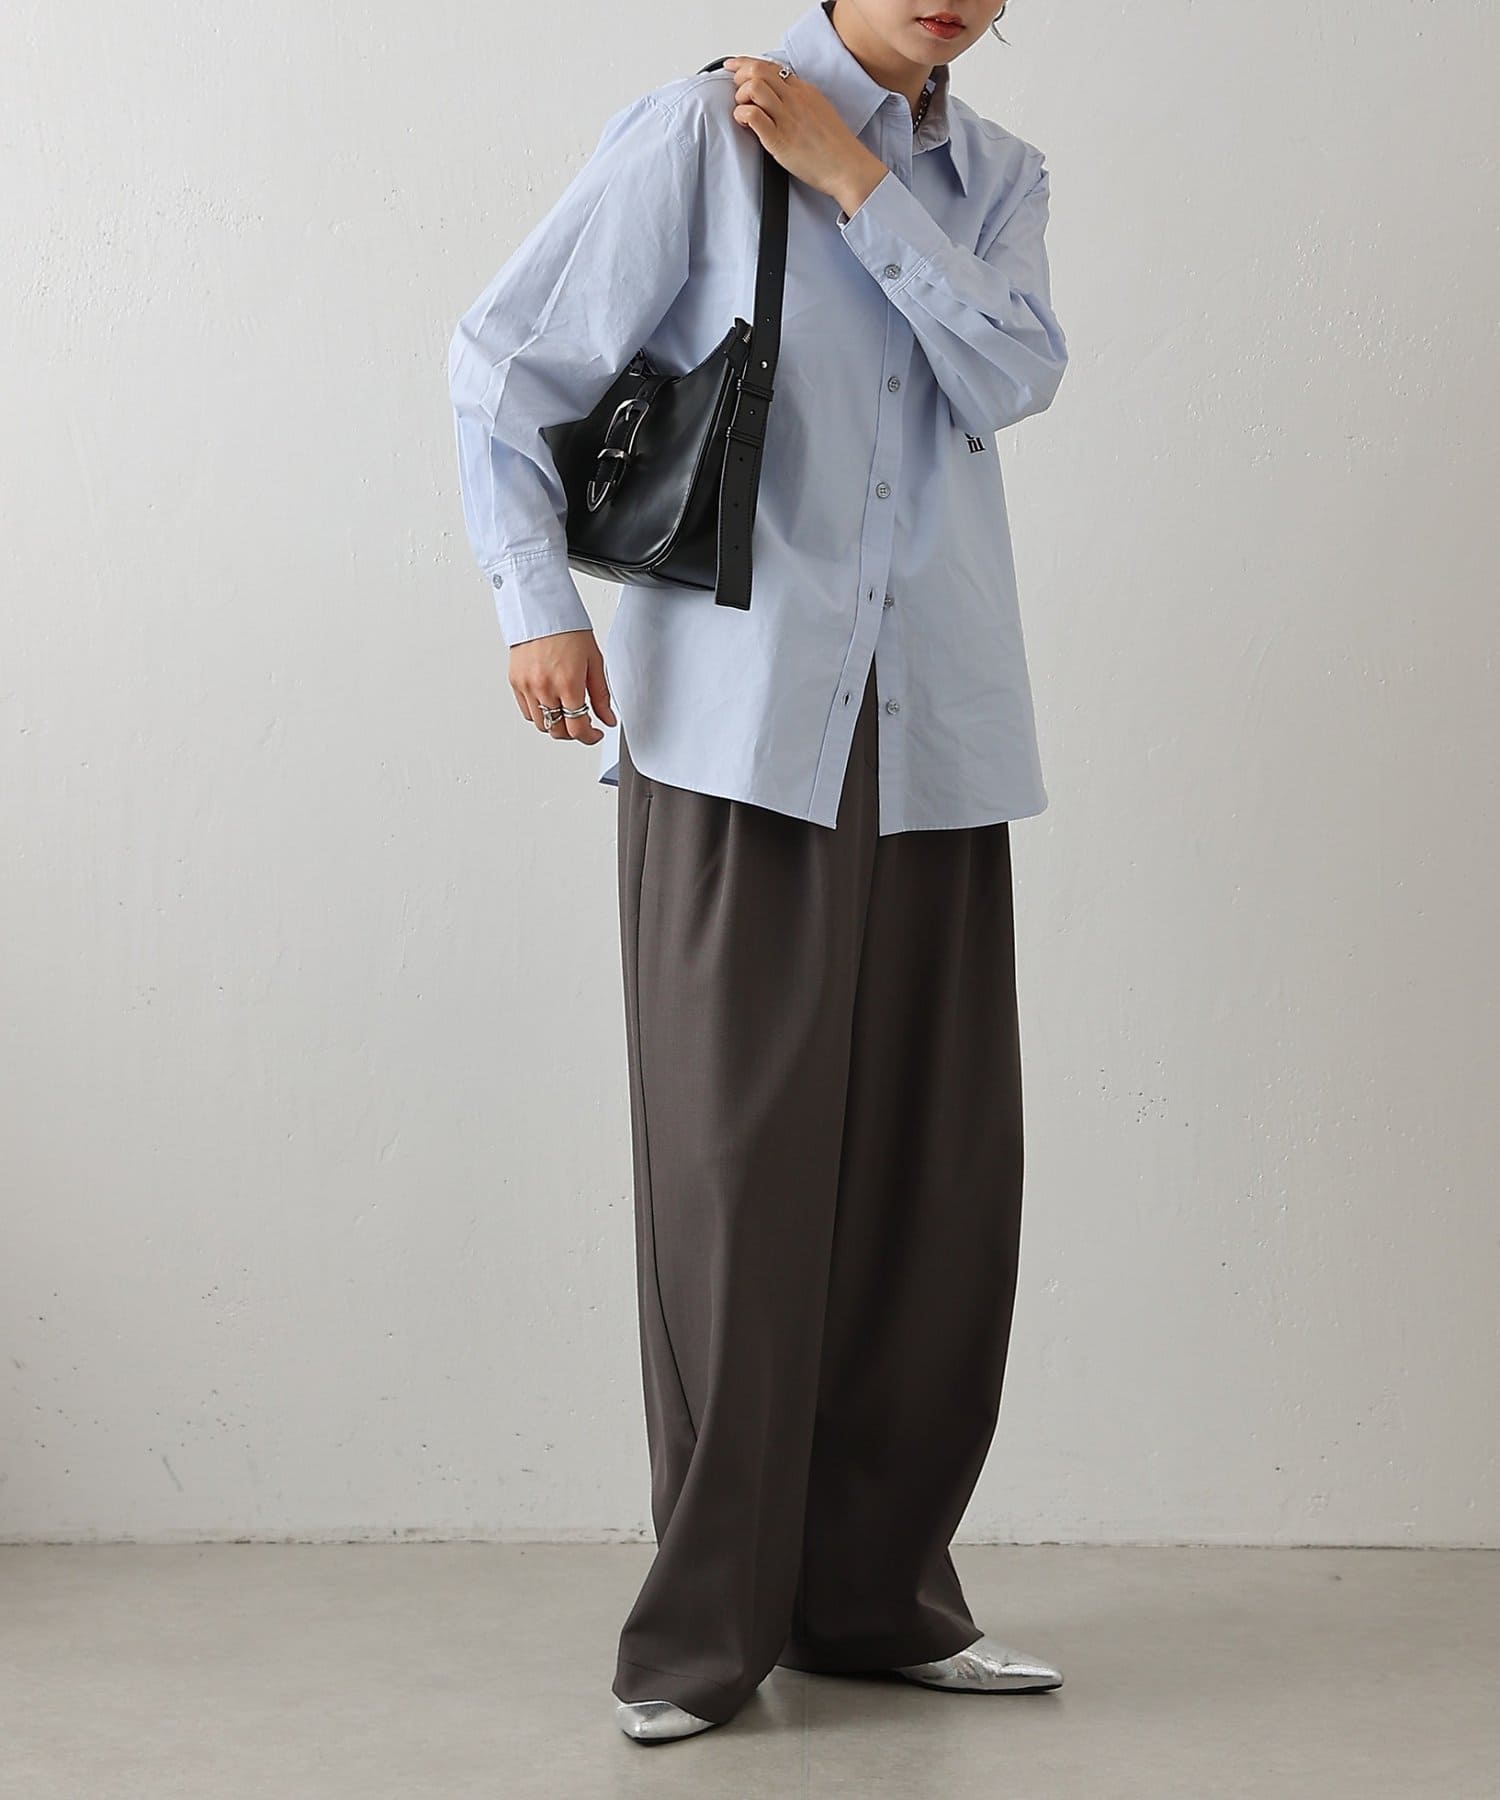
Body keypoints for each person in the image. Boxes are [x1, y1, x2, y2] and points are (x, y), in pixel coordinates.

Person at [447, 0, 1069, 1744]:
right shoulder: (695, 132)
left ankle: (875, 1599)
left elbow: (1014, 375)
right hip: (736, 722)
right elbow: (502, 365)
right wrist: (536, 606)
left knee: (936, 1186)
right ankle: (702, 1634)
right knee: (738, 1176)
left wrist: (858, 182)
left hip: (937, 728)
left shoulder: (995, 175)